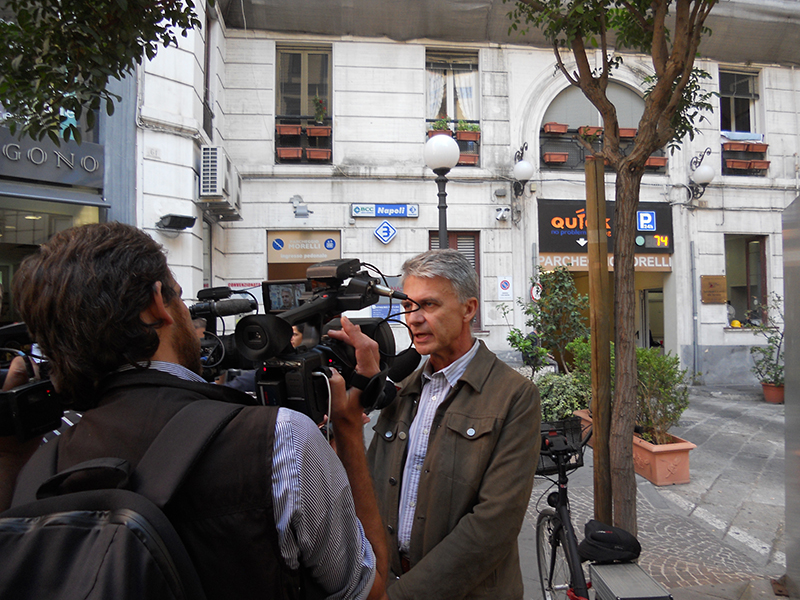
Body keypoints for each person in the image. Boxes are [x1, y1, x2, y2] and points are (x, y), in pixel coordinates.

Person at [0, 222, 388, 600]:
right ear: (157, 303)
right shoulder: (282, 440)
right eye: (180, 298)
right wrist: (349, 431)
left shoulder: (34, 467)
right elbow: (368, 590)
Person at [367, 249, 540, 600]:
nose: (413, 319)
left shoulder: (514, 395)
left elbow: (495, 523)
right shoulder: (400, 390)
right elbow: (369, 491)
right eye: (407, 306)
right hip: (388, 581)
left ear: (468, 309)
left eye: (428, 305)